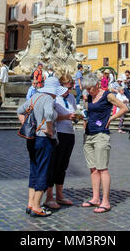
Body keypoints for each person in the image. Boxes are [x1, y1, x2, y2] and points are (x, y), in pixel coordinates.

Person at [17, 77, 74, 218]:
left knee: (34, 170)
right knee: (44, 170)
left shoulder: (36, 96)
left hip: (32, 139)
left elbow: (20, 110)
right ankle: (37, 206)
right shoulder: (49, 99)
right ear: (53, 90)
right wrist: (48, 129)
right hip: (44, 139)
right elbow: (49, 114)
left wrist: (26, 125)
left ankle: (30, 203)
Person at [81, 72, 128, 213]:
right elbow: (88, 113)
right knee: (93, 169)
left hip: (101, 134)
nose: (88, 91)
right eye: (86, 88)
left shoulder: (108, 95)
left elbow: (124, 108)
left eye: (90, 88)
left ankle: (106, 201)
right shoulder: (89, 96)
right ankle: (95, 198)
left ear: (97, 84)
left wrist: (111, 118)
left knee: (102, 169)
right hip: (88, 134)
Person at [44, 73, 77, 208]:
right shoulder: (54, 97)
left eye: (70, 88)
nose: (69, 91)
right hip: (58, 133)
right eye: (67, 88)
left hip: (70, 133)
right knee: (54, 165)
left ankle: (60, 195)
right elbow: (49, 117)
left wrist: (75, 117)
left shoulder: (71, 97)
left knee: (63, 165)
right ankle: (49, 196)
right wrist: (65, 117)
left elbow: (73, 111)